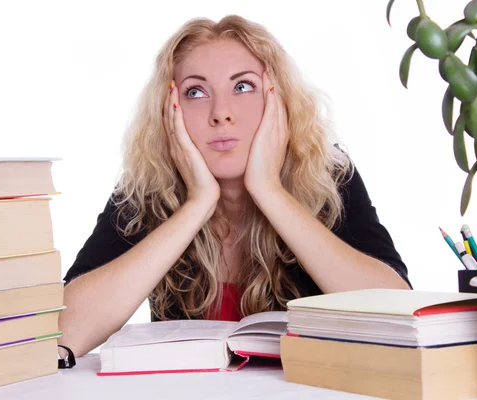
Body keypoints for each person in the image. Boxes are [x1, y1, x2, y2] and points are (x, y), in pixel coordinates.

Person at [59, 15, 411, 358]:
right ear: (169, 111)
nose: (221, 113)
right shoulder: (145, 191)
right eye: (195, 92)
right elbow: (64, 335)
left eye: (243, 86)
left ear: (278, 100)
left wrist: (269, 190)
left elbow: (401, 318)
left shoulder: (329, 176)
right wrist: (197, 203)